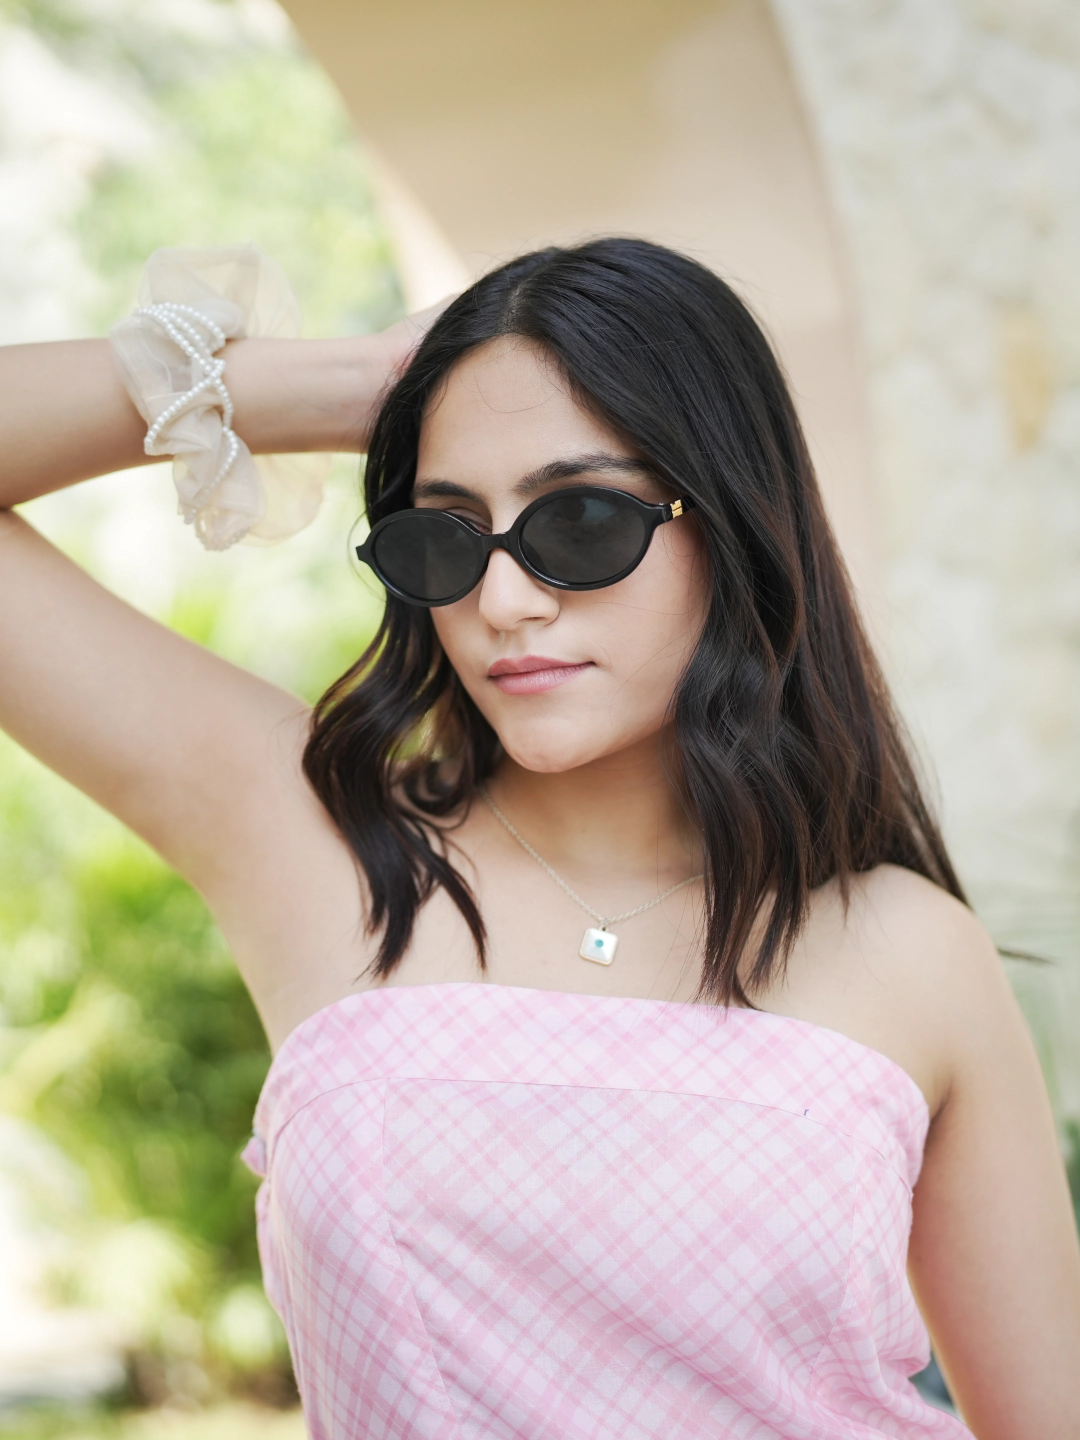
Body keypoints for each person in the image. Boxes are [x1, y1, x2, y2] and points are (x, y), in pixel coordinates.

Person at [1, 238, 1077, 1440]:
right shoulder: (315, 847)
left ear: (732, 520)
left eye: (581, 522)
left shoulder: (909, 949)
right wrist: (348, 387)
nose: (503, 603)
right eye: (446, 535)